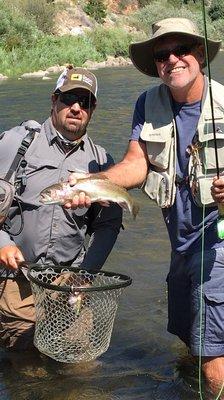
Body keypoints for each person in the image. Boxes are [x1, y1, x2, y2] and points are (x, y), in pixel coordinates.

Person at [66, 19, 224, 397]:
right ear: (155, 64)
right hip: (181, 244)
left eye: (181, 50)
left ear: (200, 54)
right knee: (189, 339)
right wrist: (92, 182)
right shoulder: (146, 104)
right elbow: (136, 164)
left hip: (219, 241)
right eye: (161, 55)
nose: (172, 59)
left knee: (212, 353)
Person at [0, 66, 122, 351]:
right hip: (17, 281)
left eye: (85, 102)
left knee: (78, 375)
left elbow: (108, 225)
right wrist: (2, 243)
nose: (76, 108)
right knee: (29, 372)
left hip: (72, 284)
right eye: (68, 99)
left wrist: (86, 275)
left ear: (93, 108)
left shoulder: (102, 161)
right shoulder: (16, 143)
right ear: (54, 100)